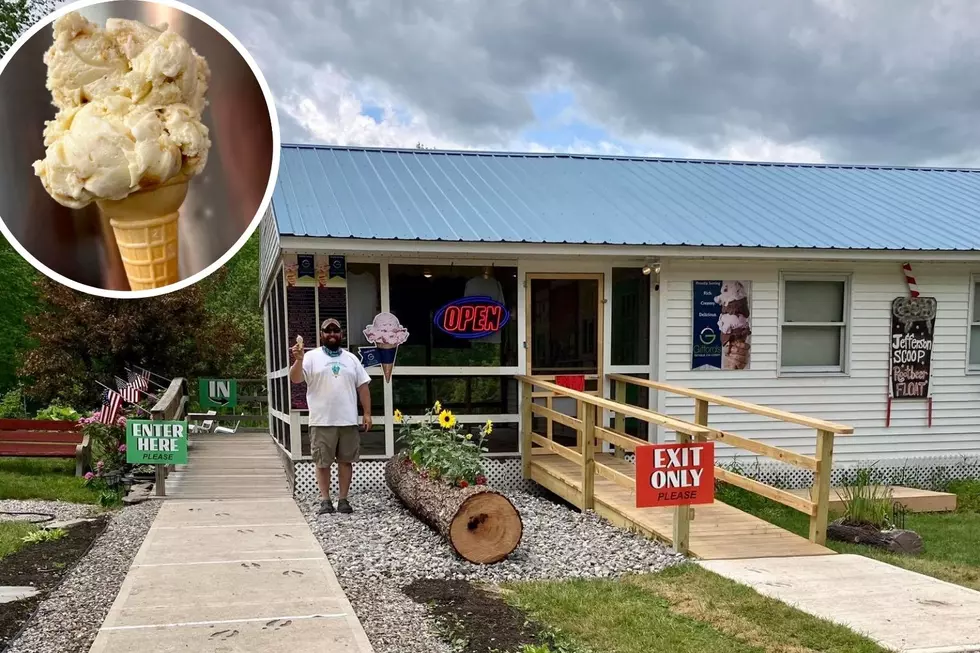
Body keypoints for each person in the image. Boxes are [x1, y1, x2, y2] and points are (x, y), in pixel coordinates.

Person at [290, 318, 372, 514]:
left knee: (346, 461)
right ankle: (325, 500)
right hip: (321, 420)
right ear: (321, 334)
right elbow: (295, 378)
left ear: (341, 334)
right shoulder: (310, 357)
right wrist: (298, 360)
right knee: (322, 462)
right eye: (328, 331)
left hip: (347, 420)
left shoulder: (351, 359)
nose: (332, 334)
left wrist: (367, 413)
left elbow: (363, 387)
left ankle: (343, 500)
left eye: (336, 330)